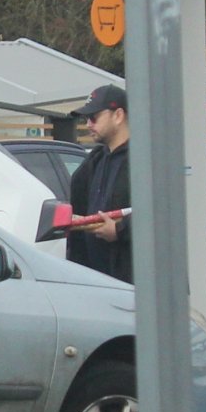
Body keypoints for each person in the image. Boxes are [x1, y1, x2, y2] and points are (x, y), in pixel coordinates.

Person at [67, 84, 132, 282]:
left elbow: (163, 212)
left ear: (118, 115)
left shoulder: (145, 159)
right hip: (99, 283)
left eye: (94, 117)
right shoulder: (95, 161)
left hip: (135, 285)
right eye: (86, 118)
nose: (88, 124)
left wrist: (120, 230)